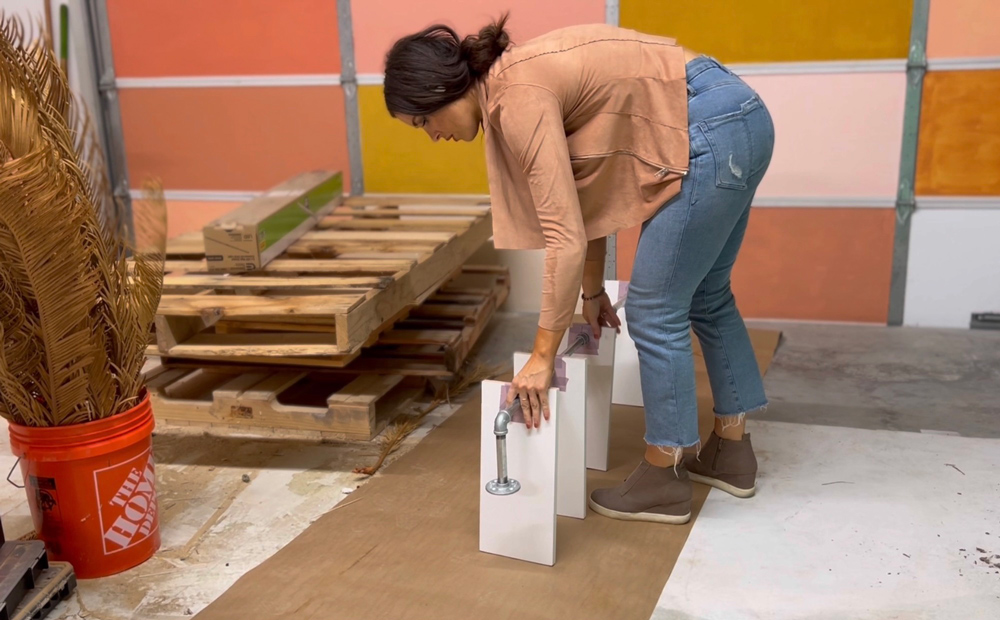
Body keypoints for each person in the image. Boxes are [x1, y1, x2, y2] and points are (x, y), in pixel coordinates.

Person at [384, 15, 774, 525]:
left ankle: (664, 476)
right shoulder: (516, 73)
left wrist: (543, 356)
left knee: (656, 310)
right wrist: (591, 294)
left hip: (703, 127)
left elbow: (563, 233)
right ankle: (732, 452)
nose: (432, 136)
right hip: (738, 112)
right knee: (708, 295)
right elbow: (589, 191)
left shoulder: (516, 97)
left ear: (439, 90)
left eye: (422, 123)